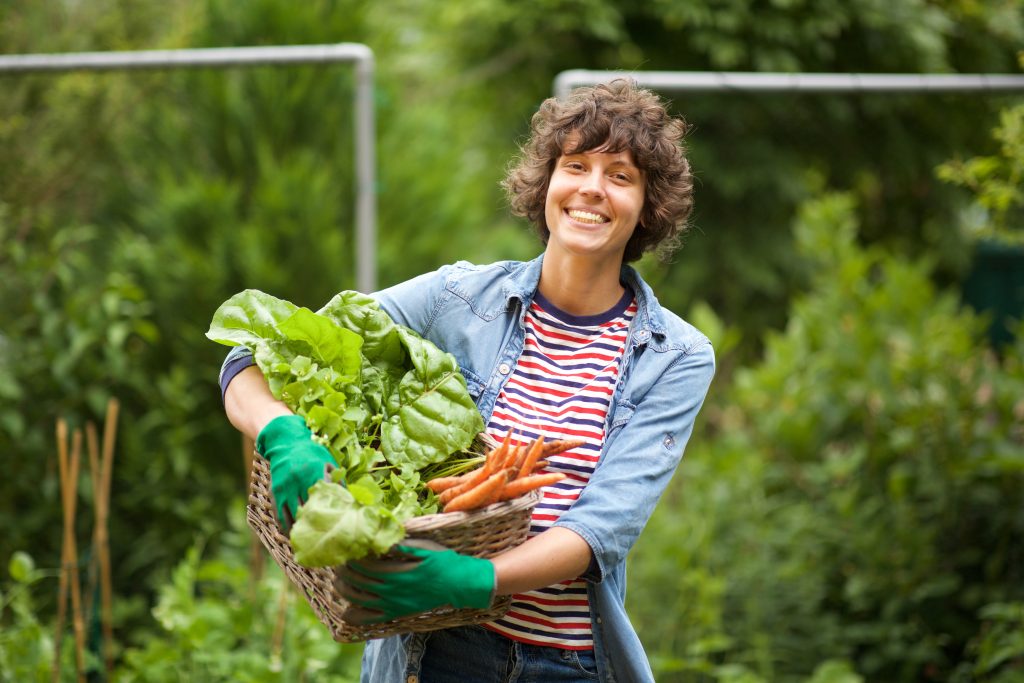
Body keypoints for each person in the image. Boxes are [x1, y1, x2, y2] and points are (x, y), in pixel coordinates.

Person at [219, 78, 715, 682]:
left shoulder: (675, 356)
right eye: (576, 165)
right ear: (547, 184)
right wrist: (281, 428)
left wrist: (479, 578)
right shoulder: (458, 298)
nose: (591, 188)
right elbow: (255, 355)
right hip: (436, 654)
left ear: (646, 205)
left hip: (568, 665)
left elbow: (602, 527)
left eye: (620, 175)